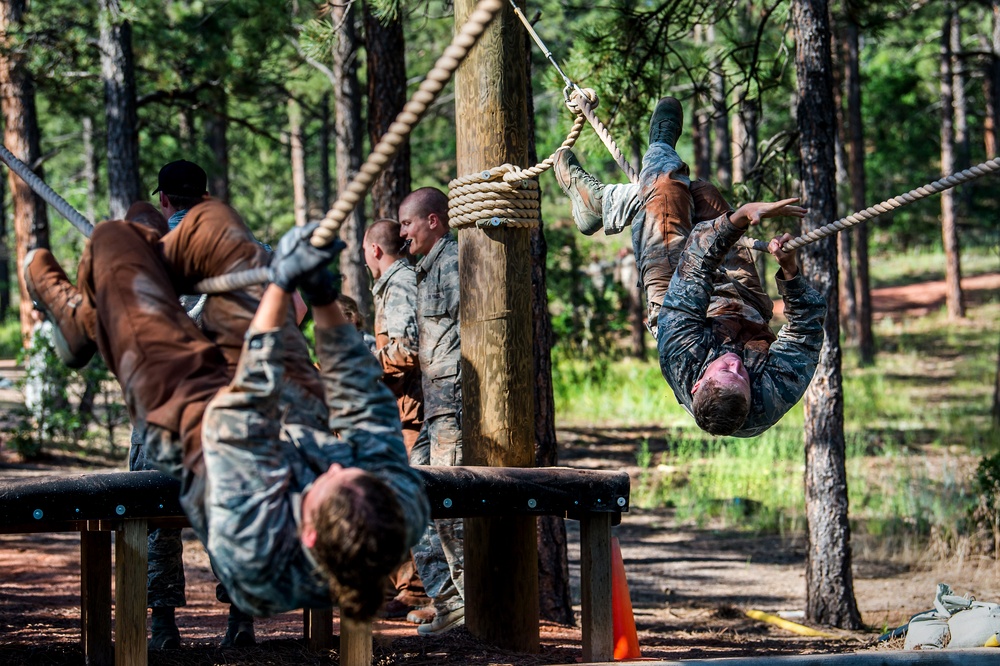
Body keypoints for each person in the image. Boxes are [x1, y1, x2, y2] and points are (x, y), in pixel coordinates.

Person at [23, 209, 429, 622]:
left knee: (113, 241)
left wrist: (283, 283)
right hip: (292, 415)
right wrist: (320, 294)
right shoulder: (396, 504)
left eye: (329, 477)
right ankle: (133, 287)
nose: (339, 464)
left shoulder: (256, 542)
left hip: (196, 424)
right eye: (352, 469)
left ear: (307, 532)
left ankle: (83, 319)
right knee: (219, 229)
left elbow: (249, 392)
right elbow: (359, 392)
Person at [553, 97, 826, 437]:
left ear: (698, 384)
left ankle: (657, 148)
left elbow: (696, 264)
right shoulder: (773, 392)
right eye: (743, 377)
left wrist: (739, 218)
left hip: (674, 296)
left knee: (667, 185)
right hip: (744, 306)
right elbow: (807, 332)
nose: (737, 364)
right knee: (701, 194)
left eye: (726, 369)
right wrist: (790, 273)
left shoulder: (682, 352)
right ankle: (608, 203)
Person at [398, 187, 466, 636]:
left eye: (408, 223)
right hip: (435, 410)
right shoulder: (422, 272)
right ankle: (447, 601)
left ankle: (470, 601)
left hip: (457, 406)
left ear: (433, 221)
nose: (403, 233)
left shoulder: (457, 262)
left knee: (453, 507)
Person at [363, 218, 434, 621]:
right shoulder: (393, 284)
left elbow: (408, 350)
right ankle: (408, 587)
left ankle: (420, 590)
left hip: (413, 412)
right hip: (398, 411)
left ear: (374, 250)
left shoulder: (401, 283)